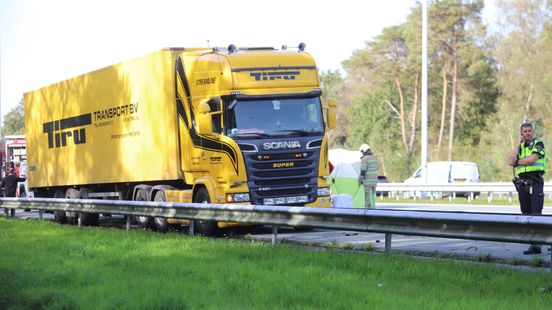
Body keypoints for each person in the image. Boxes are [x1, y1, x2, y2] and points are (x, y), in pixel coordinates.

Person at [507, 122, 546, 255]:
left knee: (536, 213)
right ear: (521, 134)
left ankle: (538, 245)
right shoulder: (520, 148)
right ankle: (533, 244)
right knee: (526, 214)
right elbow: (509, 161)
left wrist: (517, 162)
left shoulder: (538, 144)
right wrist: (517, 145)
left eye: (529, 131)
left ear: (533, 132)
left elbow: (531, 160)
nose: (527, 133)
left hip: (536, 182)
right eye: (525, 131)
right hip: (522, 184)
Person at [358, 144, 378, 208]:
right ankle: (373, 209)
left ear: (363, 151)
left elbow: (363, 172)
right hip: (374, 182)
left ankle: (367, 211)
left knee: (367, 199)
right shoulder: (374, 158)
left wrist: (359, 181)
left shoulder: (364, 159)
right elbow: (377, 168)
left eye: (361, 151)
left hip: (367, 182)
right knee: (372, 197)